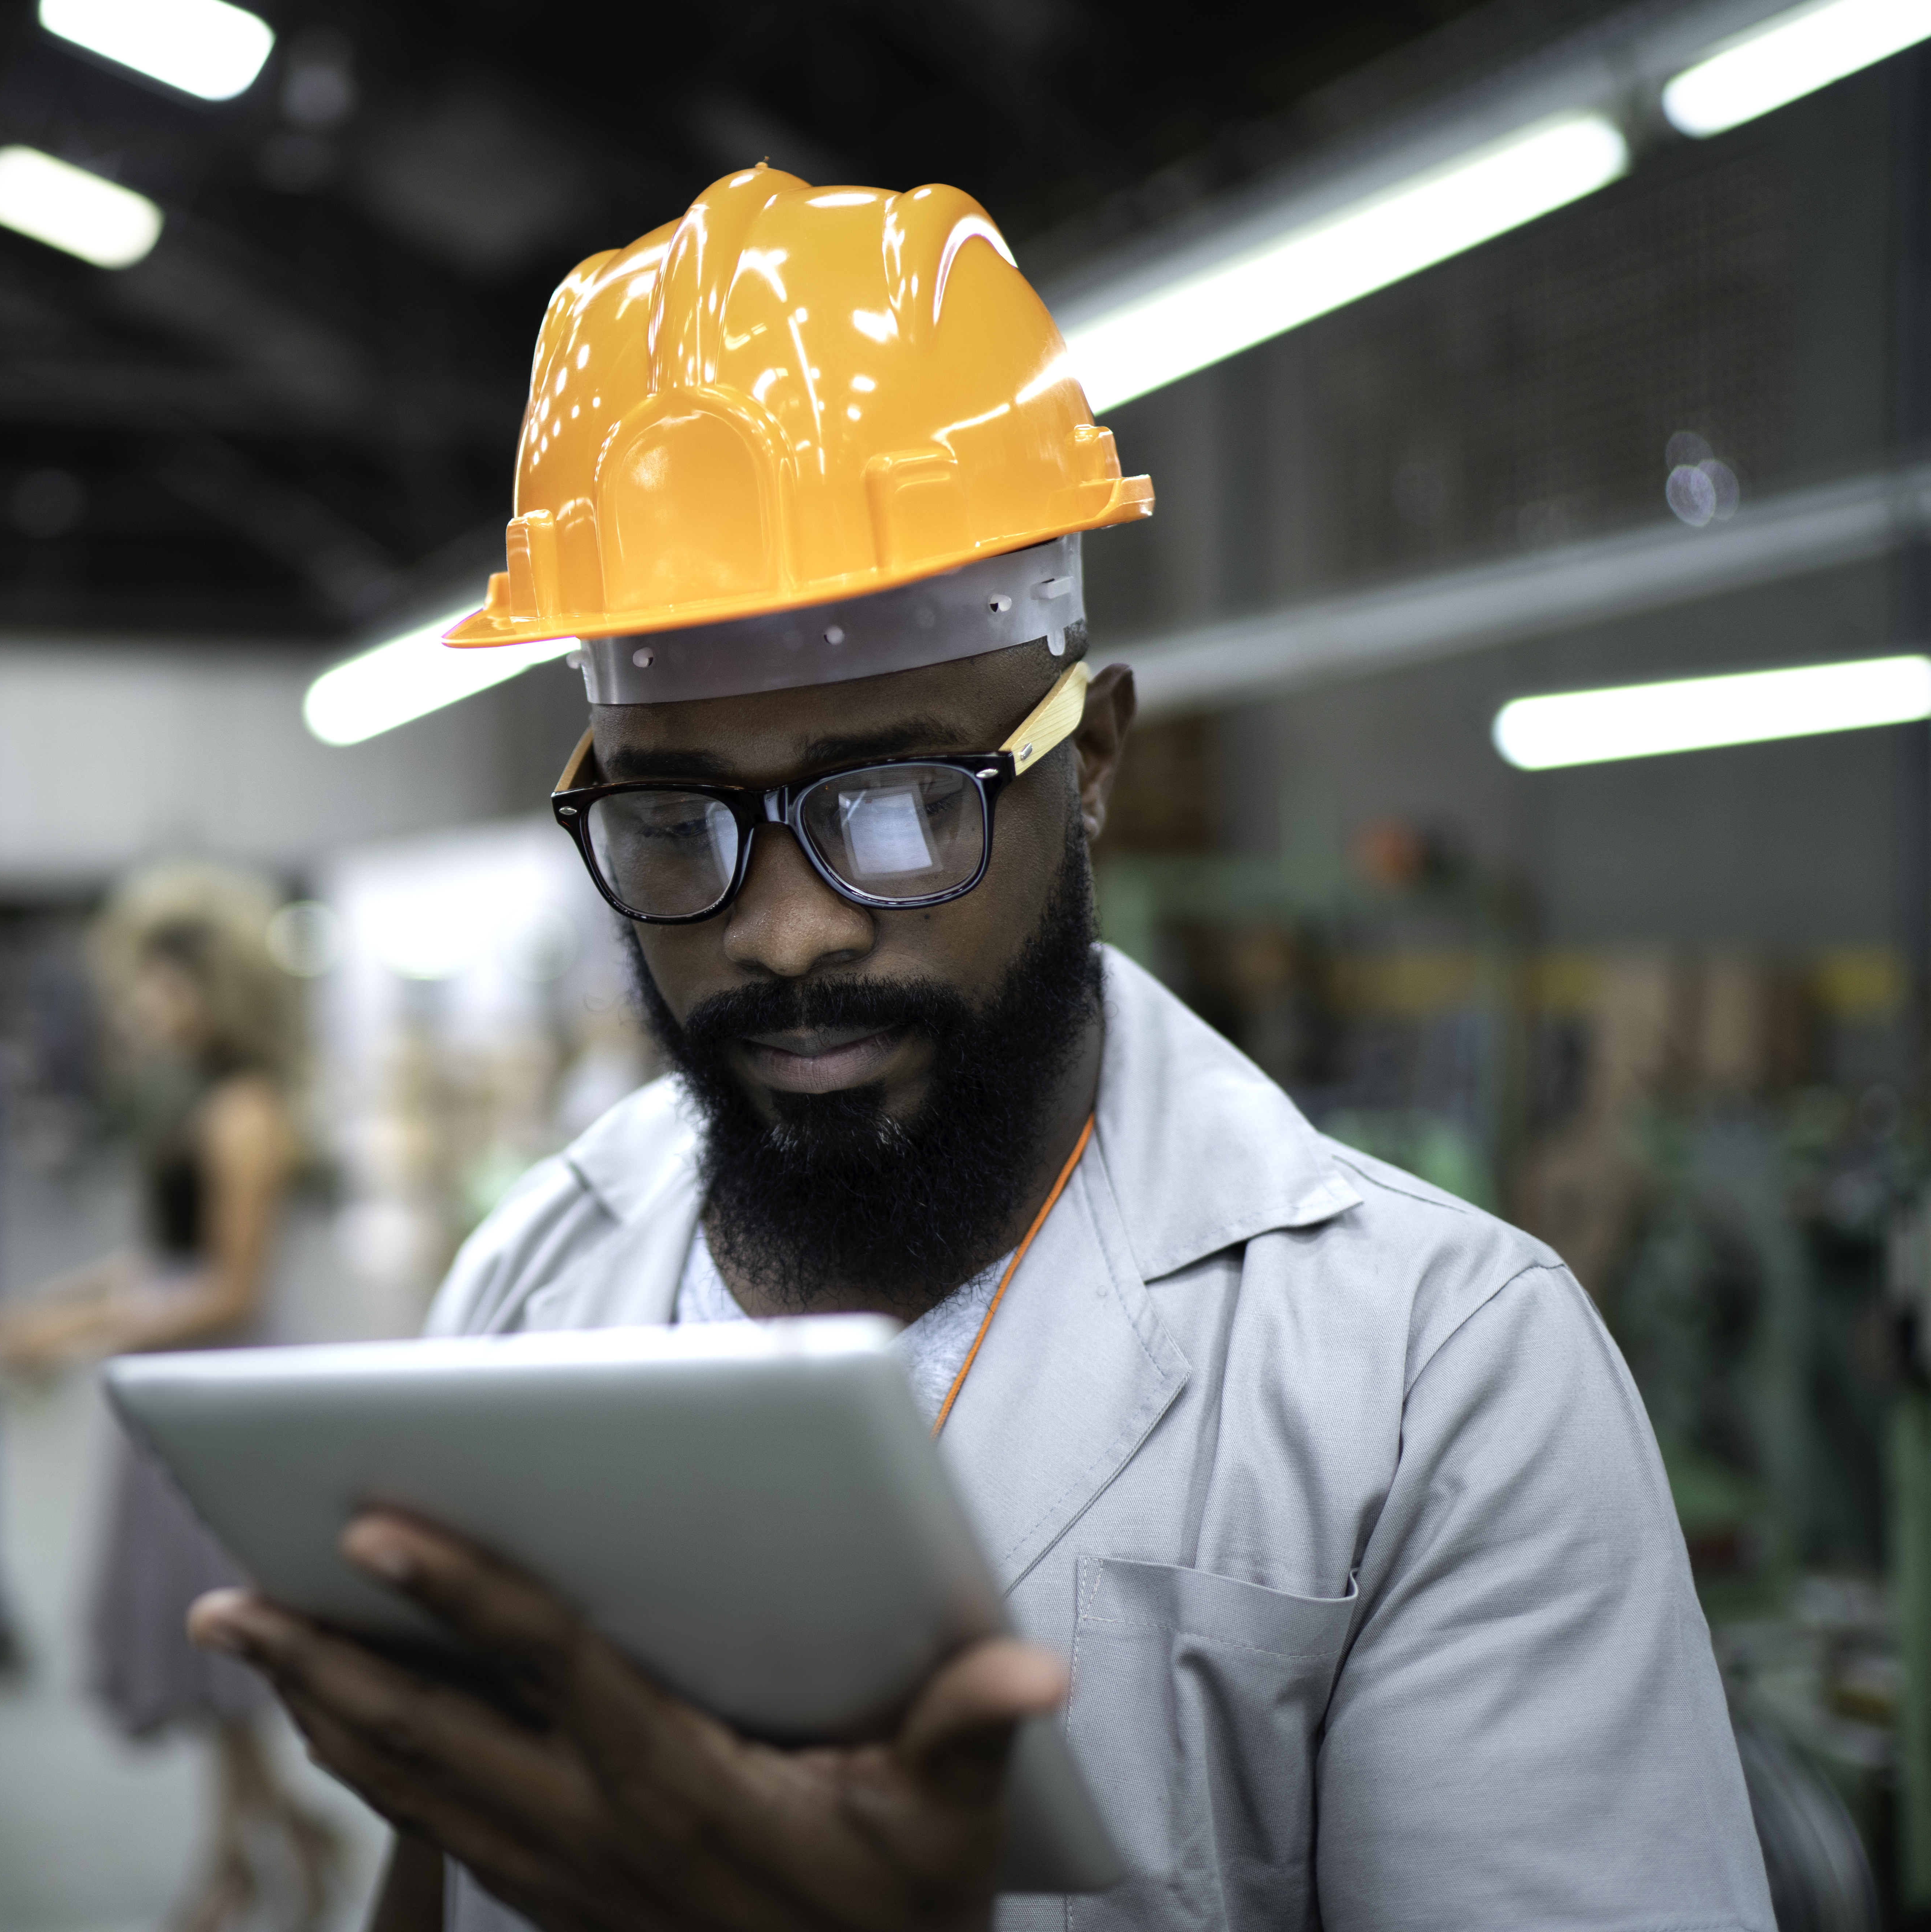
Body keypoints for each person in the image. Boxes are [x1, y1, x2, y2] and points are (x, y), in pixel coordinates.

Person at [187, 168, 1774, 1932]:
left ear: (1083, 760)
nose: (783, 931)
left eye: (888, 807)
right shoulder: (537, 1280)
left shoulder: (1434, 1384)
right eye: (670, 819)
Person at [0, 871, 342, 1931]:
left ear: (212, 991)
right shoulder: (198, 1101)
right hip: (187, 1384)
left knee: (228, 1647)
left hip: (227, 1392)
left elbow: (230, 1284)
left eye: (163, 988)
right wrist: (53, 1306)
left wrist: (77, 1335)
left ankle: (236, 1867)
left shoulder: (244, 1112)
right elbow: (166, 1254)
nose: (145, 1009)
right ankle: (278, 1844)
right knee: (209, 1648)